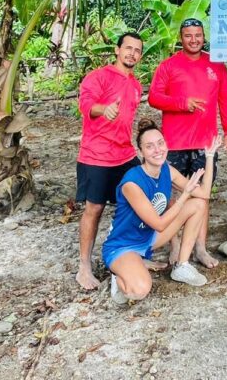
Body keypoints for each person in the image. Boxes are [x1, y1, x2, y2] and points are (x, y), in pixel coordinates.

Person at [148, 17, 227, 268]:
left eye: (198, 35)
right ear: (180, 37)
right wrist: (181, 103)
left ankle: (200, 247)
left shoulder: (215, 64)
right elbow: (154, 97)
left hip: (205, 144)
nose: (194, 40)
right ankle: (174, 244)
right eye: (188, 35)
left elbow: (226, 100)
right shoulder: (168, 65)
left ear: (203, 36)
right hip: (174, 143)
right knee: (173, 195)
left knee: (203, 195)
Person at [103, 120, 222, 303]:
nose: (157, 150)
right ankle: (119, 273)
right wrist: (184, 196)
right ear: (141, 152)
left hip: (149, 239)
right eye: (149, 146)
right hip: (123, 245)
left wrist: (209, 156)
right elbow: (158, 224)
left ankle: (181, 266)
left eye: (160, 143)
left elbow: (204, 194)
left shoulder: (168, 170)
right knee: (139, 291)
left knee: (198, 204)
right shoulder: (132, 182)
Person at [75, 32, 144, 290]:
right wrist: (104, 109)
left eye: (137, 50)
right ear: (117, 50)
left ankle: (132, 254)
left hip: (125, 154)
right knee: (95, 208)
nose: (132, 54)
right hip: (96, 155)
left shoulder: (136, 85)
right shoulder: (98, 77)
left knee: (140, 202)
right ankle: (84, 267)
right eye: (128, 48)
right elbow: (86, 105)